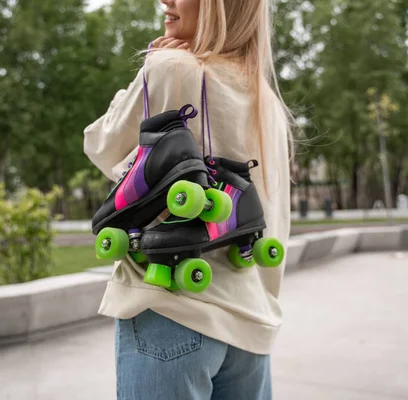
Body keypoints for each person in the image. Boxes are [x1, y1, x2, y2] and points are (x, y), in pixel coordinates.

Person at [84, 0, 291, 398]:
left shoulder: (170, 69)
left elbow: (100, 144)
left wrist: (150, 69)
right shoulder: (269, 104)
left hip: (171, 311)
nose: (166, 0)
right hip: (249, 323)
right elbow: (274, 221)